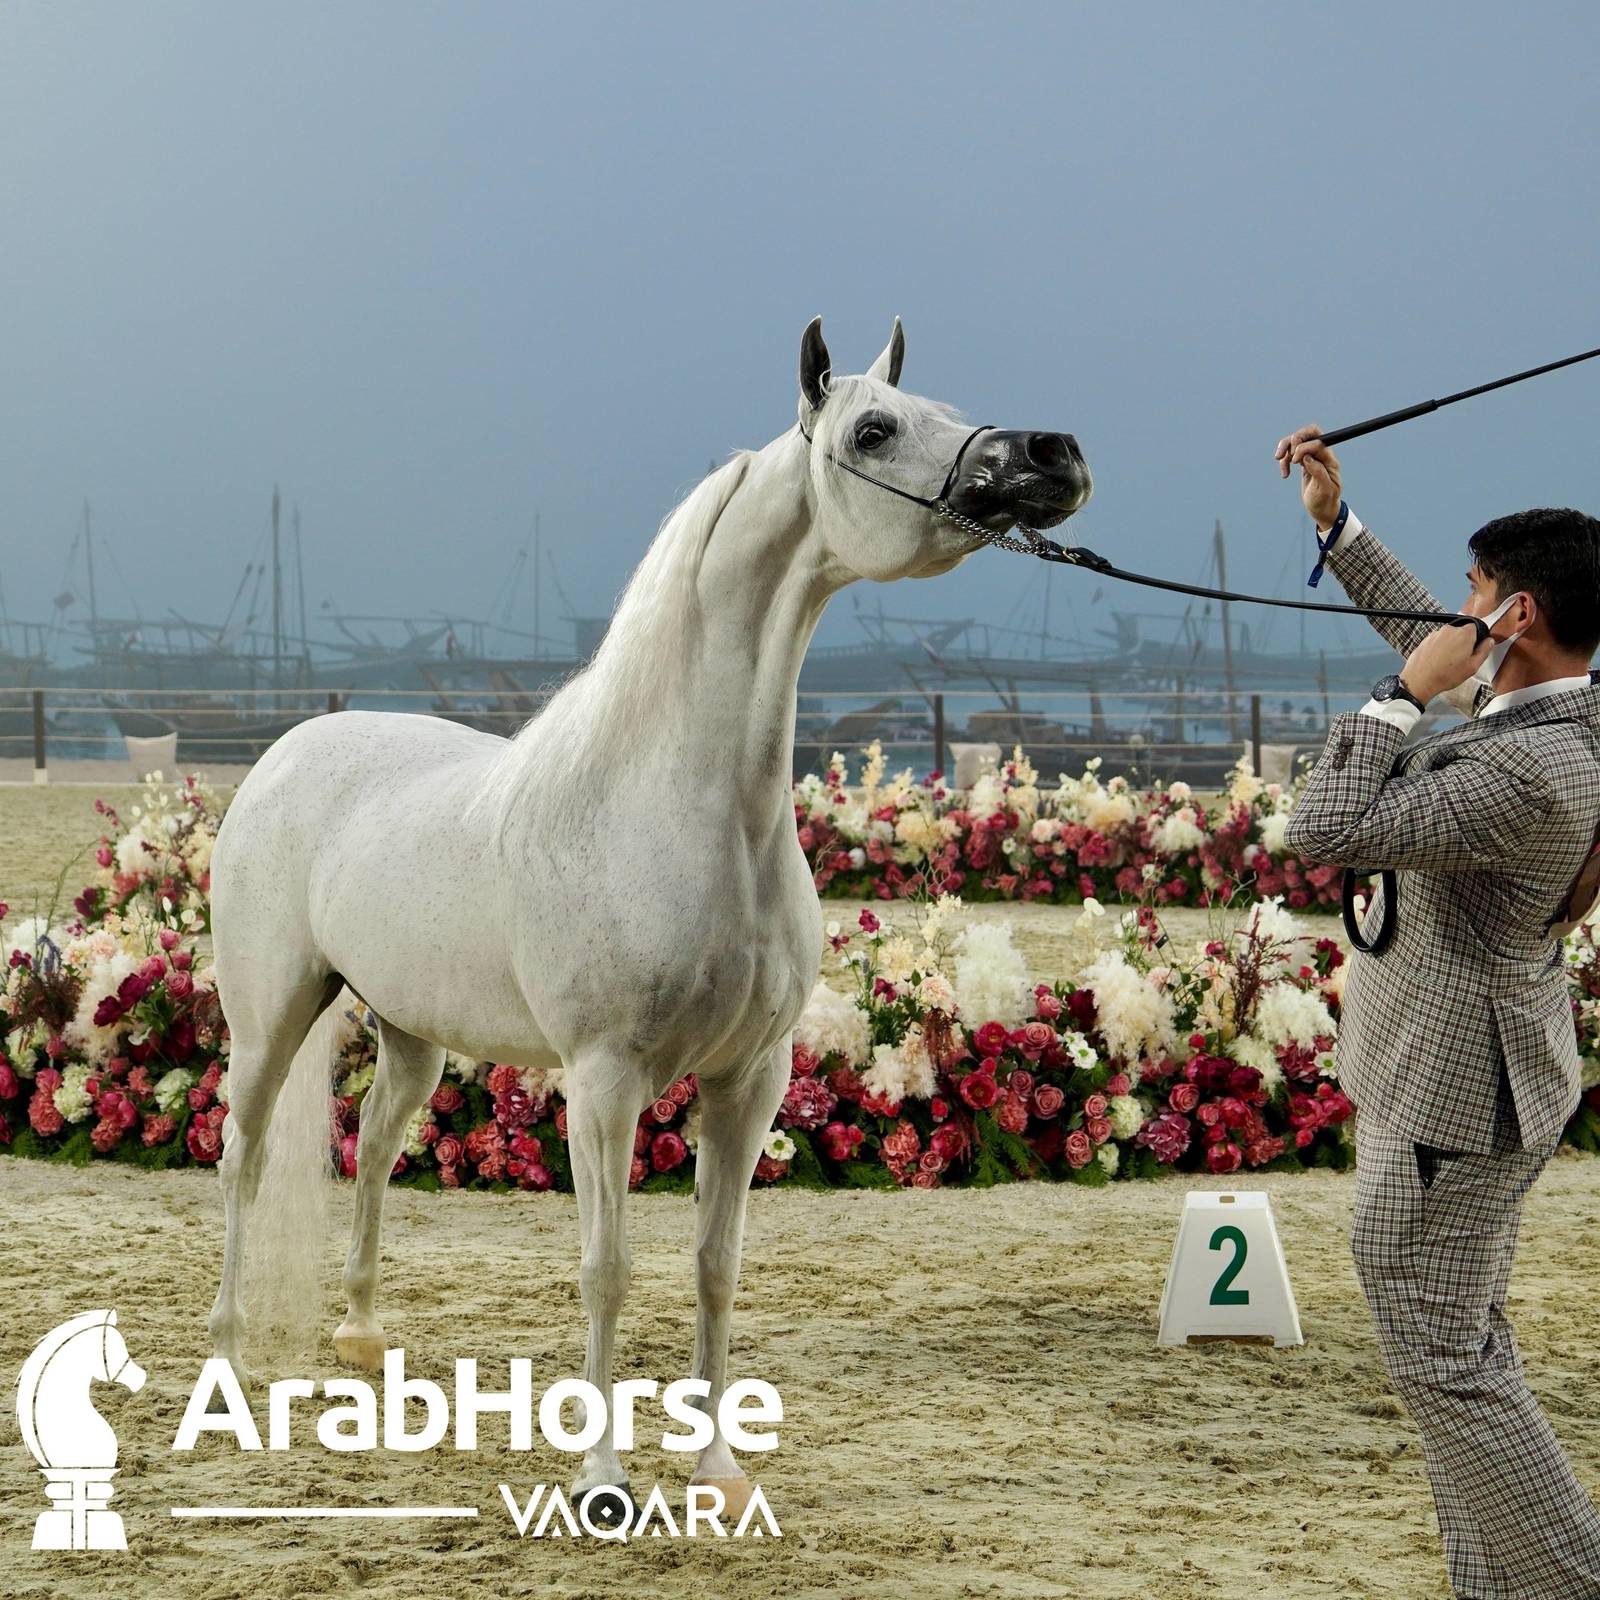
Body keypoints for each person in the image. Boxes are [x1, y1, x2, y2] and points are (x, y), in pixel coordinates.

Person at [1274, 424, 1600, 1600]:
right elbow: (1435, 640)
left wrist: (1385, 704)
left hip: (1460, 1093)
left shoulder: (1534, 767)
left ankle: (1567, 1578)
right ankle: (1499, 1585)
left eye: (1475, 595)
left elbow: (1323, 831)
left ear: (1513, 616)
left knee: (1446, 1363)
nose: (1457, 614)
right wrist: (1335, 525)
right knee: (1463, 1346)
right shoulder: (1549, 719)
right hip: (1464, 1075)